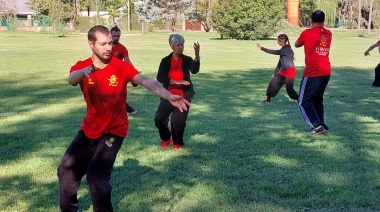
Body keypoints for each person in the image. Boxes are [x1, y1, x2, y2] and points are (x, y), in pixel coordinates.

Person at [57, 25, 190, 211]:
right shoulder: (83, 66)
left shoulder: (121, 66)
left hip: (114, 130)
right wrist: (83, 72)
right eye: (103, 44)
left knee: (96, 175)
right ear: (91, 44)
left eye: (110, 43)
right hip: (90, 128)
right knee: (65, 169)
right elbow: (71, 79)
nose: (108, 48)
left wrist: (168, 95)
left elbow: (146, 81)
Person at [154, 34, 200, 150]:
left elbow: (194, 70)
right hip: (168, 94)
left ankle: (177, 143)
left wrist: (197, 55)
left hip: (184, 94)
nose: (181, 47)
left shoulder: (187, 59)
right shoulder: (165, 61)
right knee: (159, 118)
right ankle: (166, 138)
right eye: (178, 45)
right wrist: (176, 82)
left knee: (177, 120)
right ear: (172, 46)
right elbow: (160, 77)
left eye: (182, 45)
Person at [295, 10, 332, 136]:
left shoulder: (307, 33)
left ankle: (316, 126)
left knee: (303, 100)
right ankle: (321, 123)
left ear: (311, 19)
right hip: (326, 71)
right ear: (324, 20)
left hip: (312, 72)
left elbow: (297, 44)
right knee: (317, 99)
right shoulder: (329, 33)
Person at [257, 34, 298, 103]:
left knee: (289, 89)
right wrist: (275, 73)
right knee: (272, 84)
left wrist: (262, 48)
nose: (278, 41)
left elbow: (275, 52)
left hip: (290, 71)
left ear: (283, 41)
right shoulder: (284, 49)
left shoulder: (287, 49)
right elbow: (280, 63)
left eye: (279, 39)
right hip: (283, 71)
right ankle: (268, 100)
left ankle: (299, 99)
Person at [110, 25, 138, 115]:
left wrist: (134, 73)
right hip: (104, 71)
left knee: (119, 92)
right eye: (114, 36)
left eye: (118, 36)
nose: (116, 38)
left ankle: (125, 108)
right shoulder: (104, 46)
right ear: (109, 35)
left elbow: (127, 62)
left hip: (117, 73)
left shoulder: (122, 48)